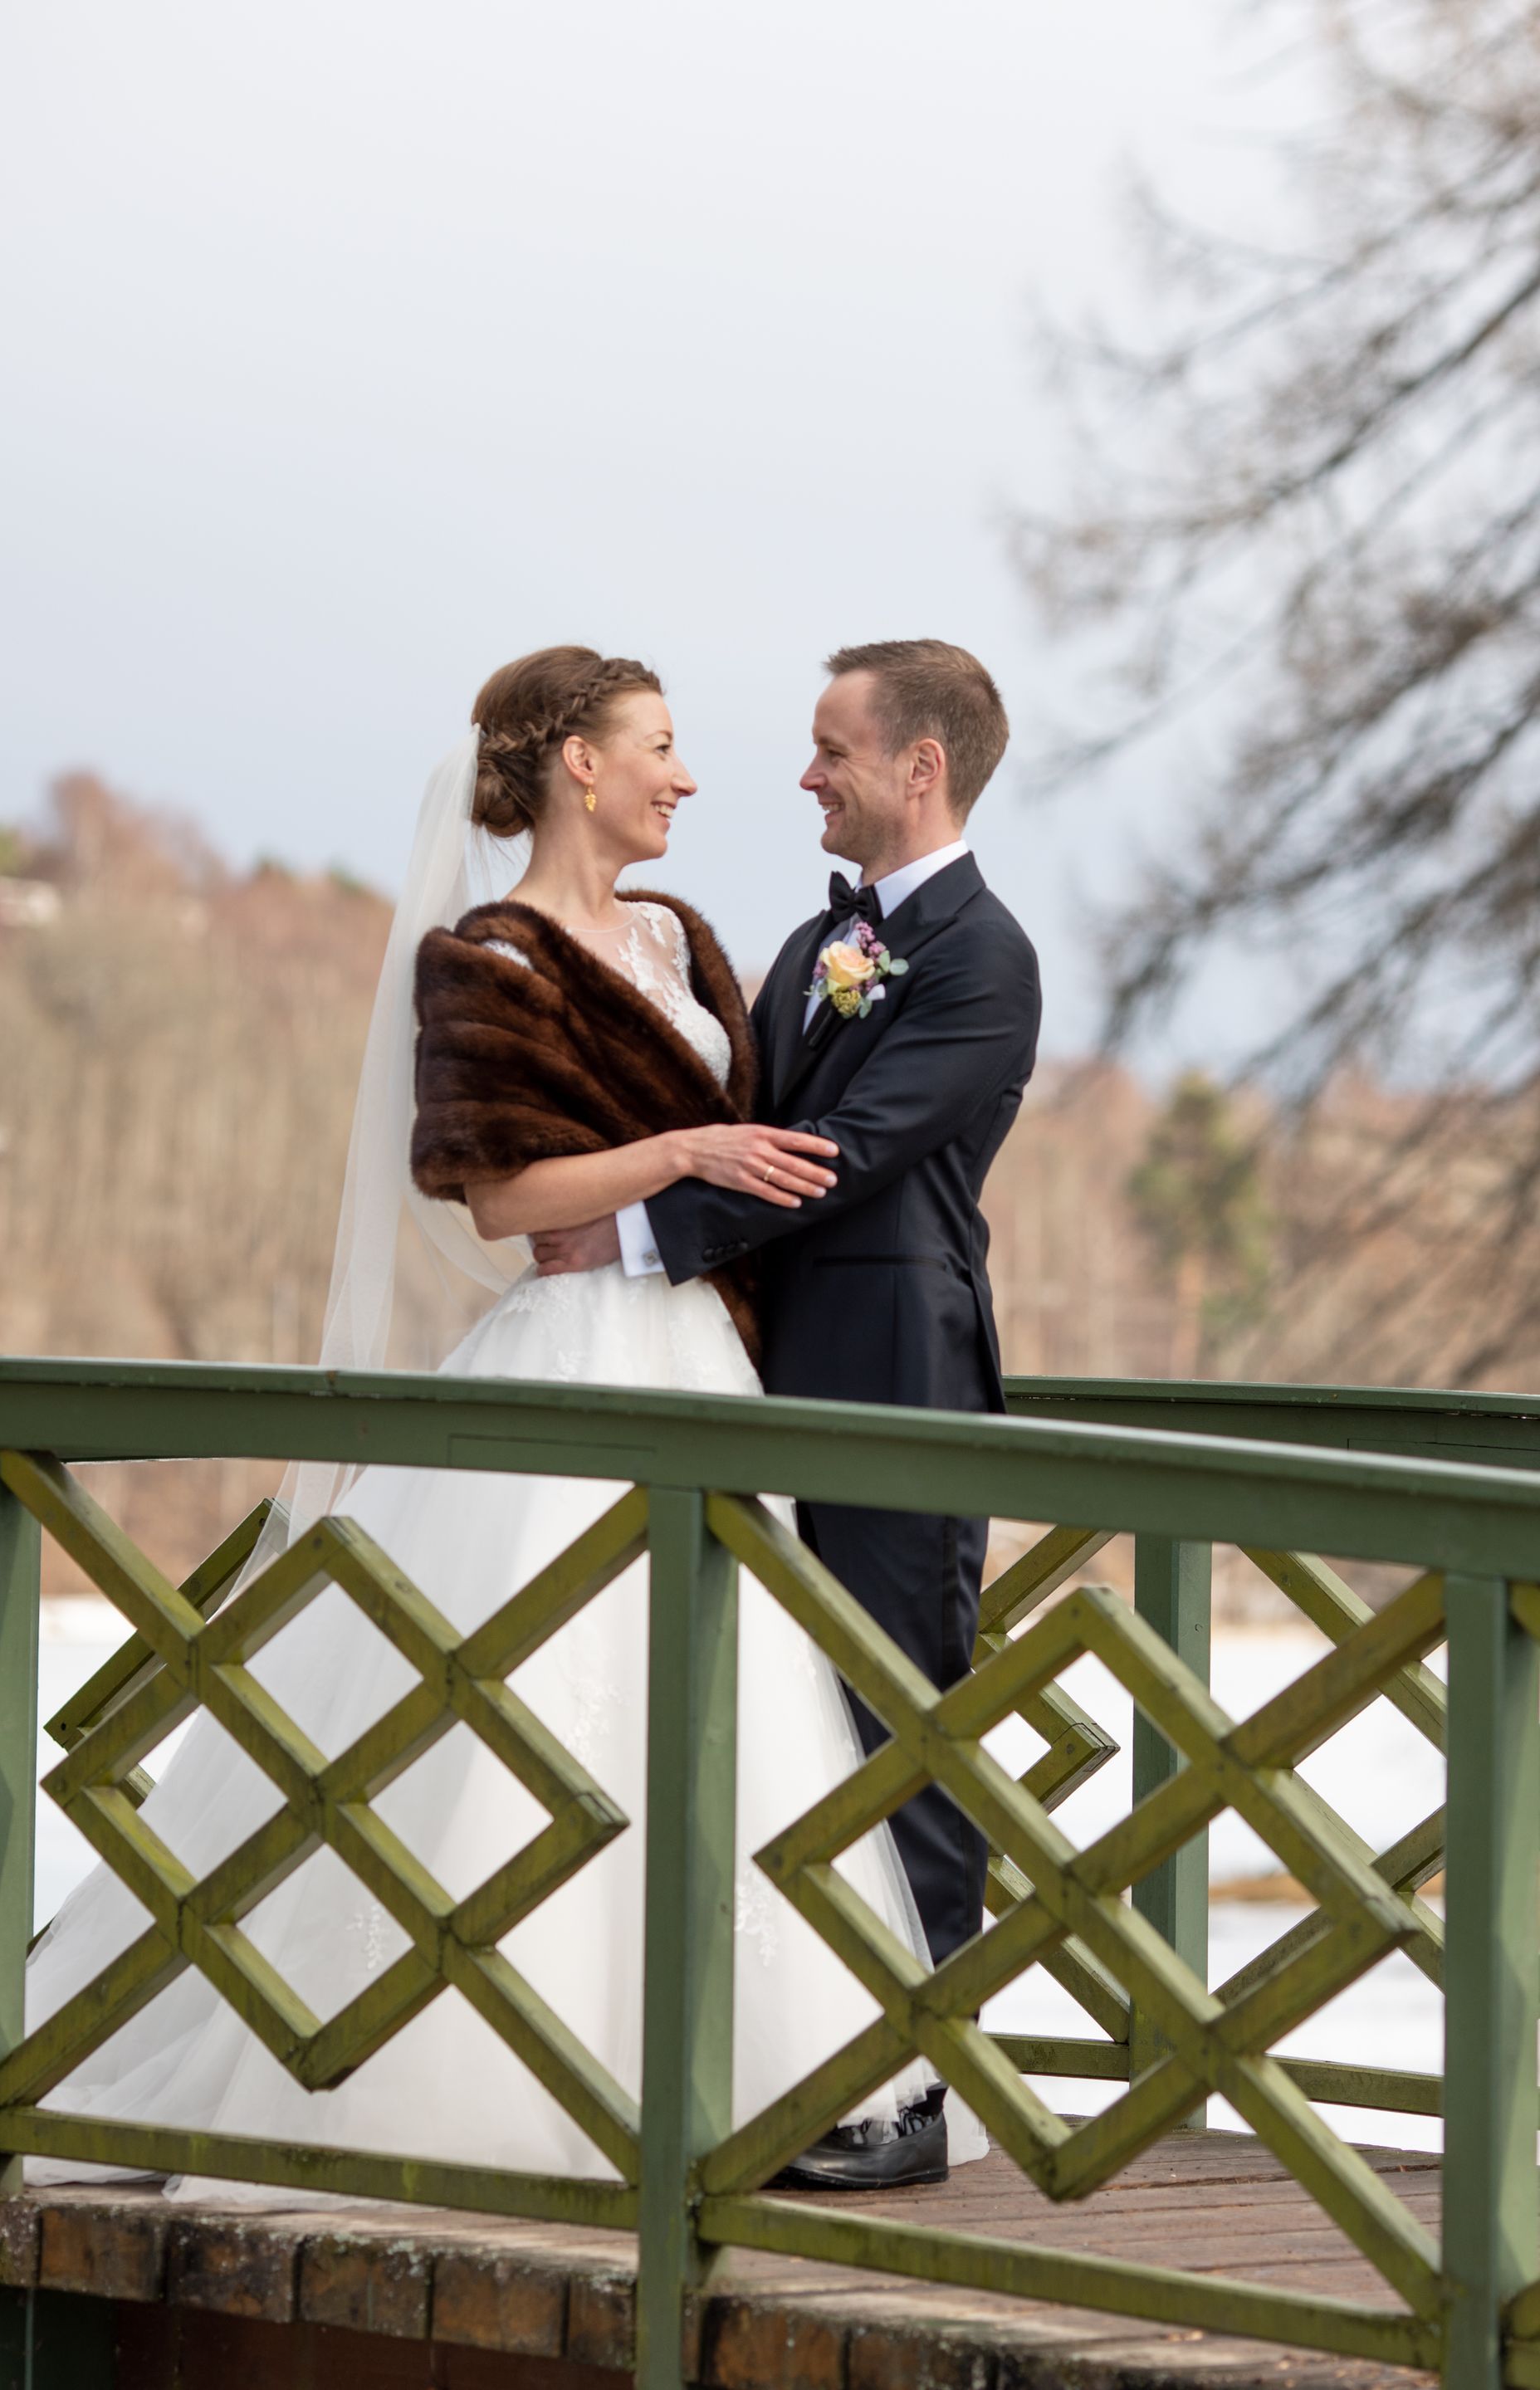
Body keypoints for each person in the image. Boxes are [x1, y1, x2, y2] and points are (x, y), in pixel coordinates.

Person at [22, 645, 966, 2204]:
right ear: (579, 763)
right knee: (519, 1702)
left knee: (729, 1711)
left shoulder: (687, 938)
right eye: (660, 746)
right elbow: (504, 1199)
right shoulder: (487, 962)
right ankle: (465, 2068)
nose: (687, 778)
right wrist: (682, 1154)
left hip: (709, 1368)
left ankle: (744, 2083)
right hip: (577, 1367)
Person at [532, 640, 1041, 2190]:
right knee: (785, 1724)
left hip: (897, 1383)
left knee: (904, 1723)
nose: (806, 775)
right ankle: (778, 2057)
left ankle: (915, 2099)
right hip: (756, 1370)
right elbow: (746, 1120)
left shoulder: (984, 957)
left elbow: (842, 1152)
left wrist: (627, 1243)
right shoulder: (824, 941)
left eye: (833, 749)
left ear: (919, 768)